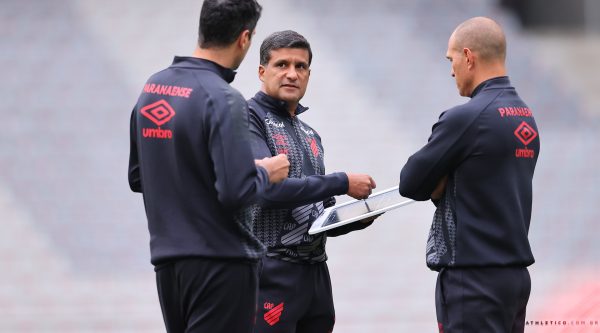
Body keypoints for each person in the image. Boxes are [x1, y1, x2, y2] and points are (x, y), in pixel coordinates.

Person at [127, 1, 291, 332]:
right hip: (221, 264)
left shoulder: (152, 88)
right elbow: (236, 191)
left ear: (203, 27)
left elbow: (138, 177)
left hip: (169, 265)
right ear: (245, 38)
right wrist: (265, 172)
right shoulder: (222, 97)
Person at [399, 17, 540, 333]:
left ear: (469, 56)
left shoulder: (466, 118)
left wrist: (441, 184)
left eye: (452, 60)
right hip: (513, 278)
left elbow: (410, 183)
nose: (451, 70)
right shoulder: (525, 117)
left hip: (473, 280)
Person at [245, 30, 379, 333]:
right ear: (262, 71)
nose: (292, 74)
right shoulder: (247, 115)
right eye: (282, 65)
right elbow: (265, 190)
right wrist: (342, 181)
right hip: (269, 270)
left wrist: (360, 217)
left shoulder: (310, 134)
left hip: (316, 274)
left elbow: (320, 216)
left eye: (301, 66)